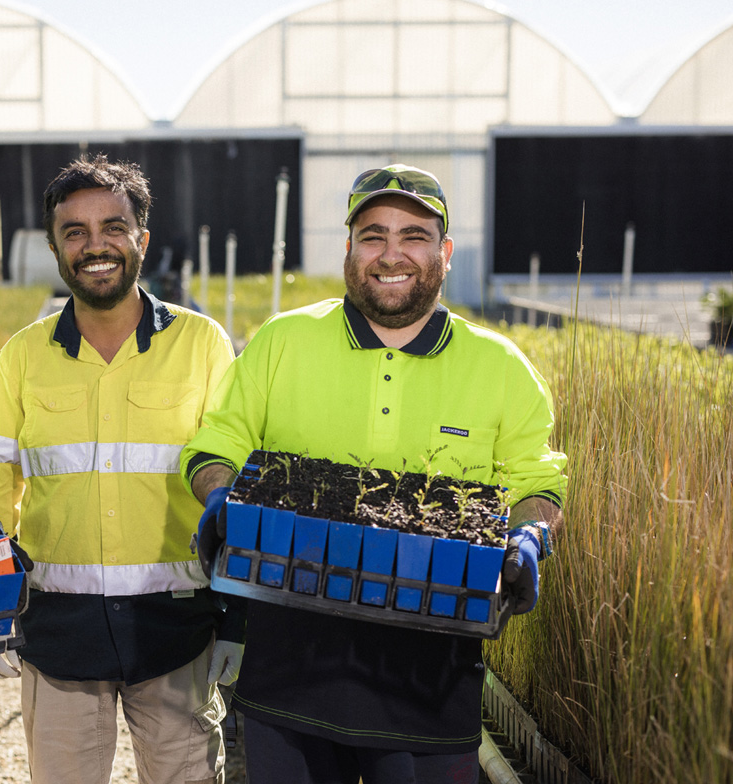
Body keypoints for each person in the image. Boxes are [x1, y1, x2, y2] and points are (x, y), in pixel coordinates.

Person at [182, 164, 567, 784]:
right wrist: (221, 494)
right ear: (349, 249)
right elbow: (218, 439)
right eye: (373, 236)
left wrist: (528, 535)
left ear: (443, 251)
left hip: (430, 679)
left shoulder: (499, 367)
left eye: (413, 236)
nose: (392, 255)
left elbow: (536, 479)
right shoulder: (284, 341)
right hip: (290, 665)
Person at [0, 153, 243, 784]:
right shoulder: (24, 356)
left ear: (141, 238)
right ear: (55, 248)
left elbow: (234, 481)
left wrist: (240, 618)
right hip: (59, 633)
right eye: (76, 233)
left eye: (113, 228)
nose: (96, 247)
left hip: (177, 631)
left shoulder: (202, 344)